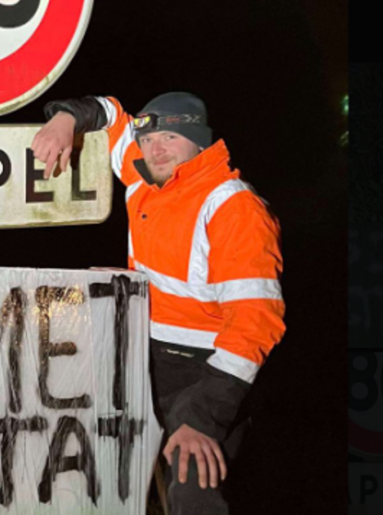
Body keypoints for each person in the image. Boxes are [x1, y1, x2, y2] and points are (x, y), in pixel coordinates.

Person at [31, 92, 285, 513]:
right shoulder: (146, 175)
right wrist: (63, 120)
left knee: (192, 489)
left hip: (206, 374)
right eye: (149, 139)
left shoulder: (234, 208)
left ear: (199, 142)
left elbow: (256, 324)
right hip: (144, 362)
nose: (157, 149)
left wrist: (202, 418)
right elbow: (110, 115)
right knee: (110, 482)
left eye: (170, 136)